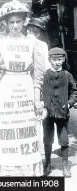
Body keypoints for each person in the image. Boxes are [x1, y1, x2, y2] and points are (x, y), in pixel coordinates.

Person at [0, 0, 46, 176]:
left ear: (24, 22)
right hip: (6, 89)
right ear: (6, 23)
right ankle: (8, 172)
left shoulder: (33, 44)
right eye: (11, 22)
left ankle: (28, 172)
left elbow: (37, 74)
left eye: (18, 22)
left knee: (27, 130)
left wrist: (37, 100)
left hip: (26, 90)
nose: (15, 26)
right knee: (7, 131)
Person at [27, 18, 60, 154]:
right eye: (31, 29)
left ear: (40, 32)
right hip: (25, 80)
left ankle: (41, 149)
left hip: (39, 81)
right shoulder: (23, 42)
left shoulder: (42, 45)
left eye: (37, 30)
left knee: (40, 113)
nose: (34, 32)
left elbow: (46, 67)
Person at [42, 47, 77, 177]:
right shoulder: (45, 75)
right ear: (49, 60)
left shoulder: (67, 75)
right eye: (54, 59)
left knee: (64, 140)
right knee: (47, 139)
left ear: (63, 60)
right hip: (48, 113)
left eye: (60, 59)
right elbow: (38, 90)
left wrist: (69, 103)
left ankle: (65, 166)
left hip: (62, 113)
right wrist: (41, 103)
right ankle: (47, 164)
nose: (57, 62)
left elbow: (74, 91)